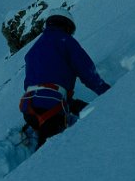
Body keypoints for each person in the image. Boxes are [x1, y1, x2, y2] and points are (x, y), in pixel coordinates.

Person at [19, 10, 110, 149]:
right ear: (67, 26)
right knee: (47, 152)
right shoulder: (66, 41)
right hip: (51, 107)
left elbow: (31, 83)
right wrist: (107, 92)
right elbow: (87, 71)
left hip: (29, 107)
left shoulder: (33, 49)